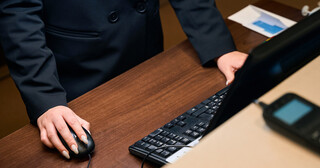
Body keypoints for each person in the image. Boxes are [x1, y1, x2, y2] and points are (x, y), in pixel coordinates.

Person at [0, 0, 248, 159]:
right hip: (80, 64)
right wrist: (45, 98)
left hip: (145, 46)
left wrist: (218, 46)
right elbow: (18, 13)